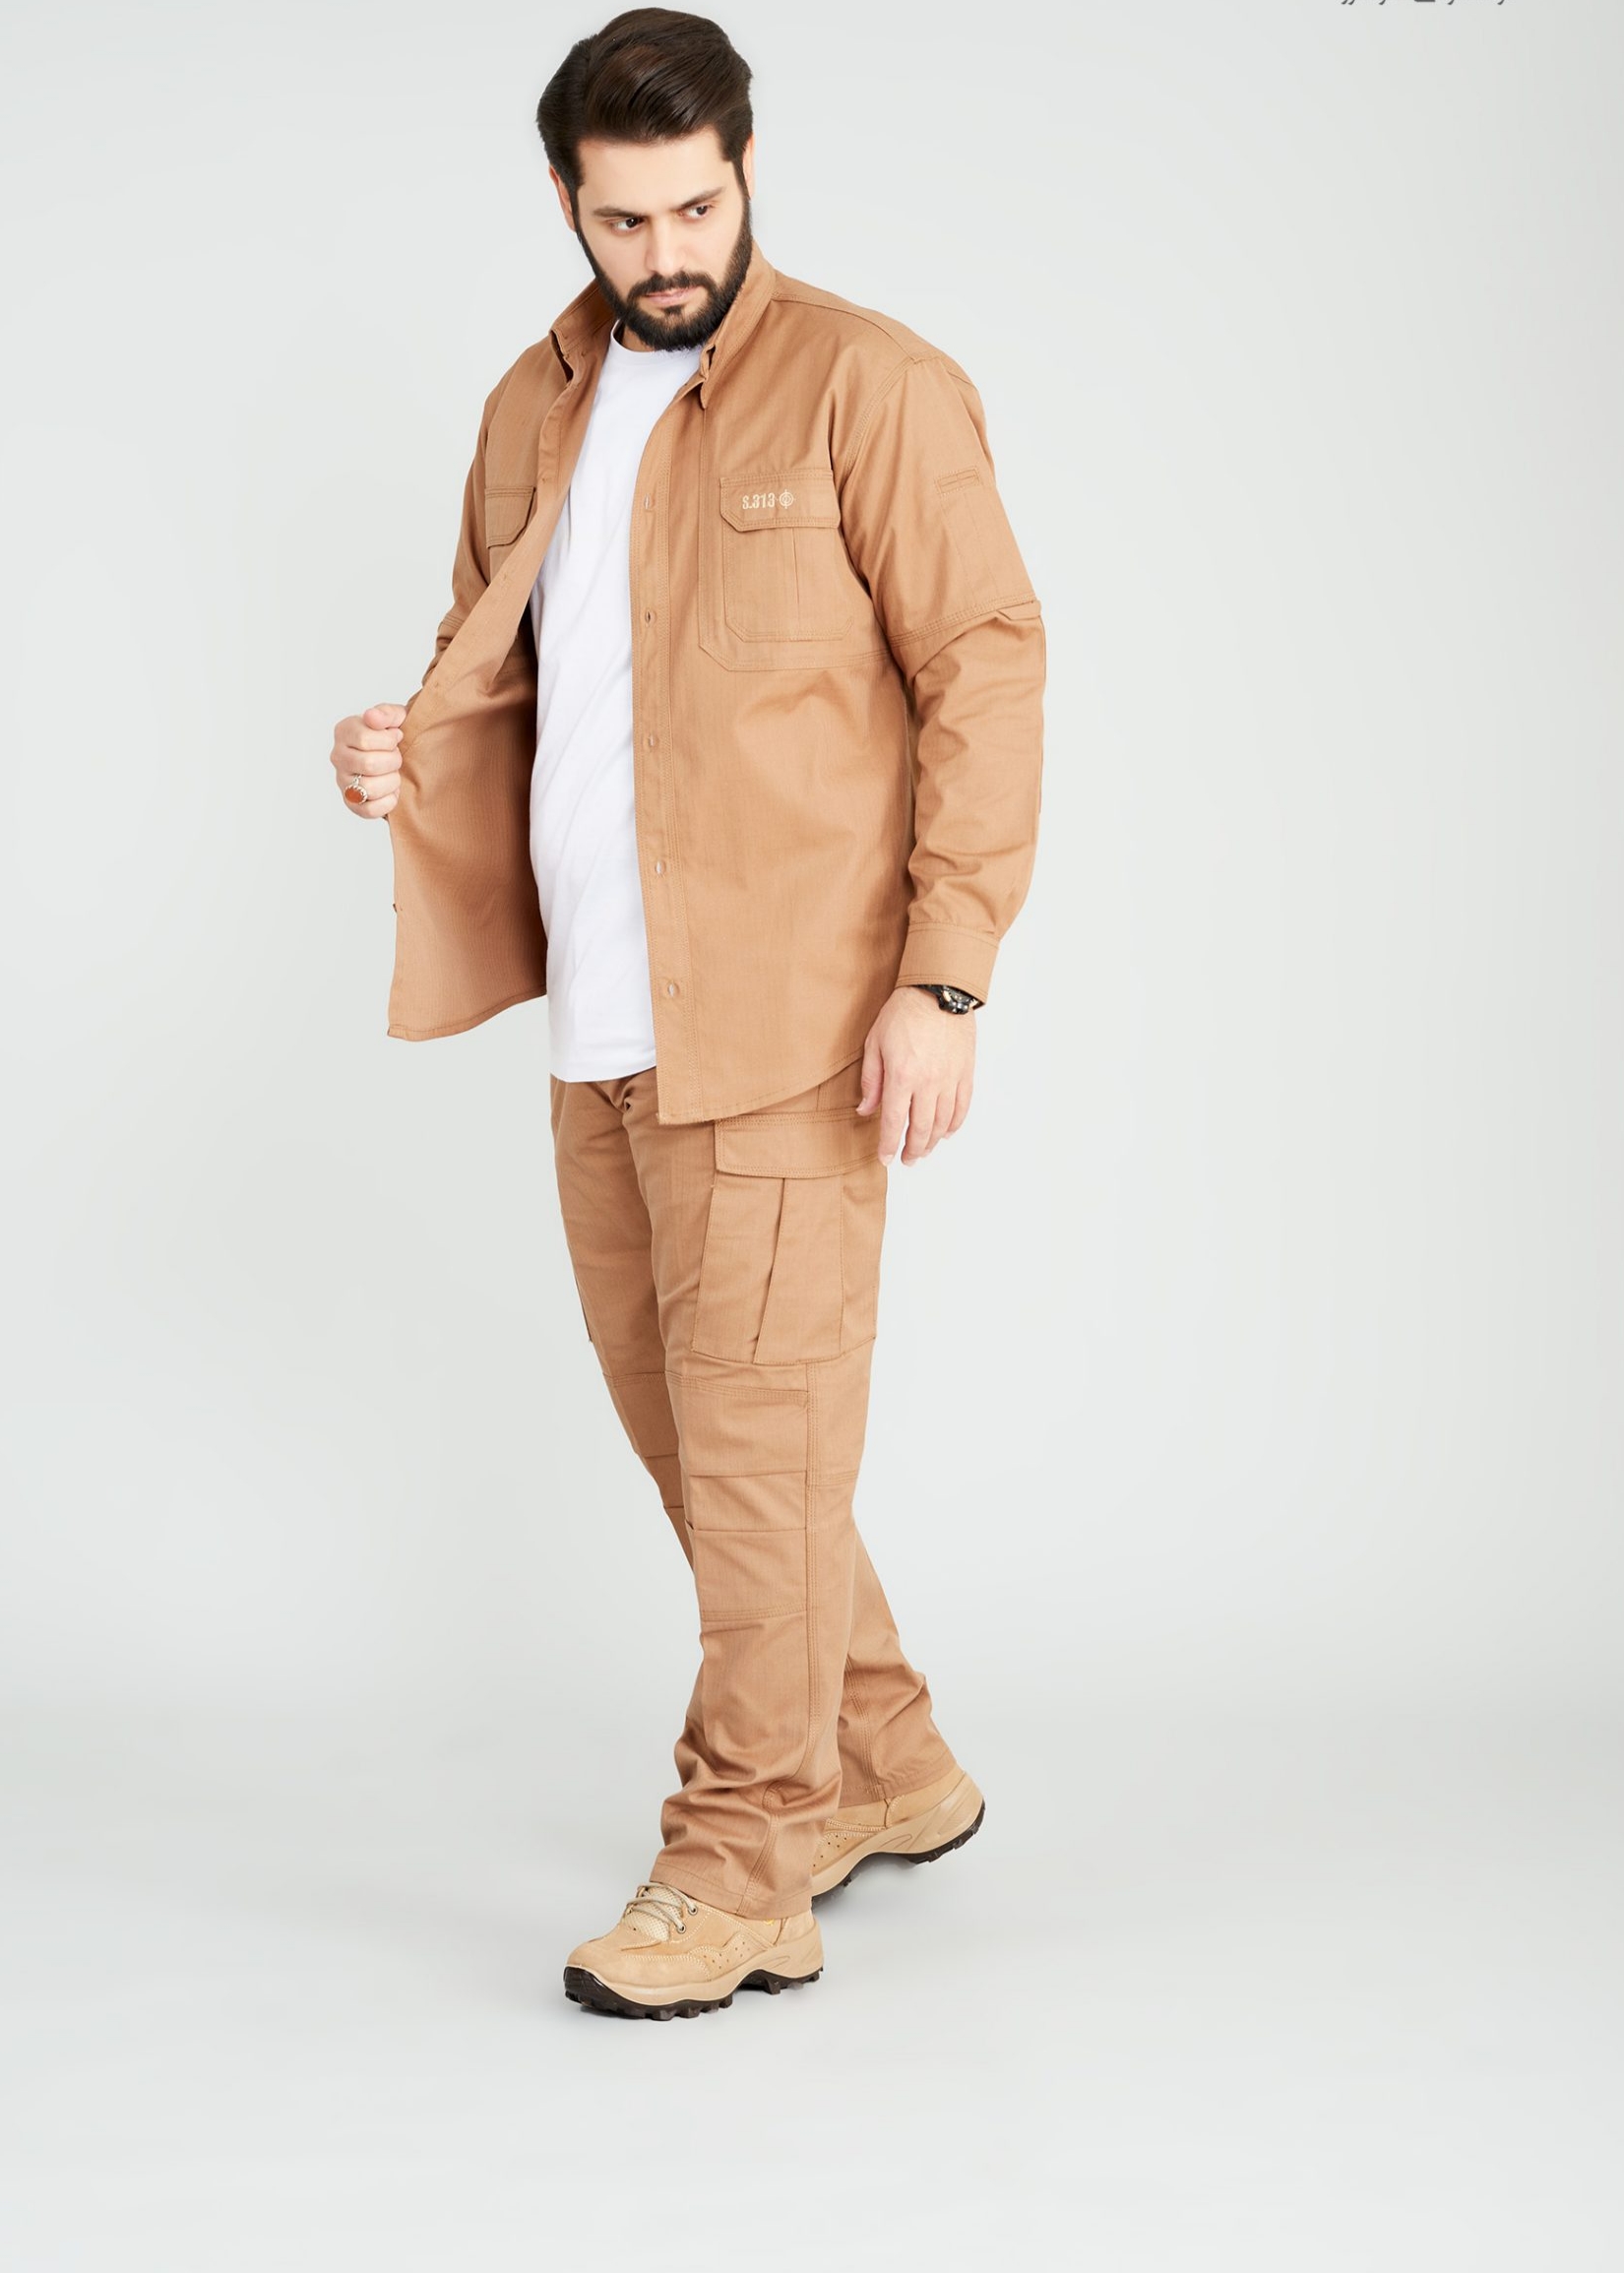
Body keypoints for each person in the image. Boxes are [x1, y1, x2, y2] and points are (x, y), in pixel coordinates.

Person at [329, 7, 1045, 2021]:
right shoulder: (532, 403)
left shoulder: (871, 386)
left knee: (752, 1450)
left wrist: (945, 975)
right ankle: (882, 1753)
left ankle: (739, 1864)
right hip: (599, 1027)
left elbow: (988, 669)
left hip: (790, 1029)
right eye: (625, 218)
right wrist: (396, 746)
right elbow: (502, 670)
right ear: (569, 204)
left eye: (698, 208)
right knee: (716, 1442)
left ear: (745, 171)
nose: (666, 252)